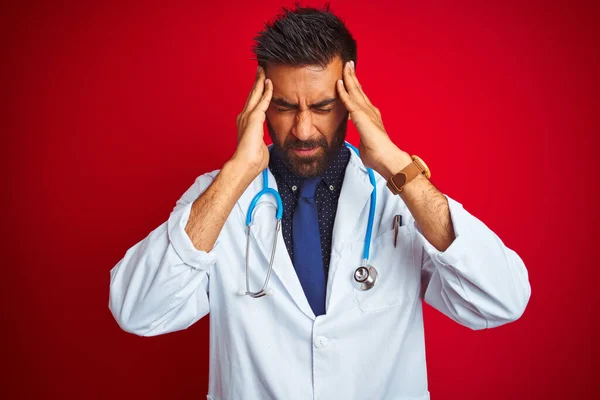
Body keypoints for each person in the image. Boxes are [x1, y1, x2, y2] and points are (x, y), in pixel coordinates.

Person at [109, 5, 531, 399]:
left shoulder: (396, 194)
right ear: (260, 104)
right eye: (285, 107)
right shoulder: (220, 198)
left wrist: (397, 164)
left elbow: (502, 300)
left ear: (351, 101)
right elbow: (138, 311)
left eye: (324, 107)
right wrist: (237, 172)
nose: (304, 129)